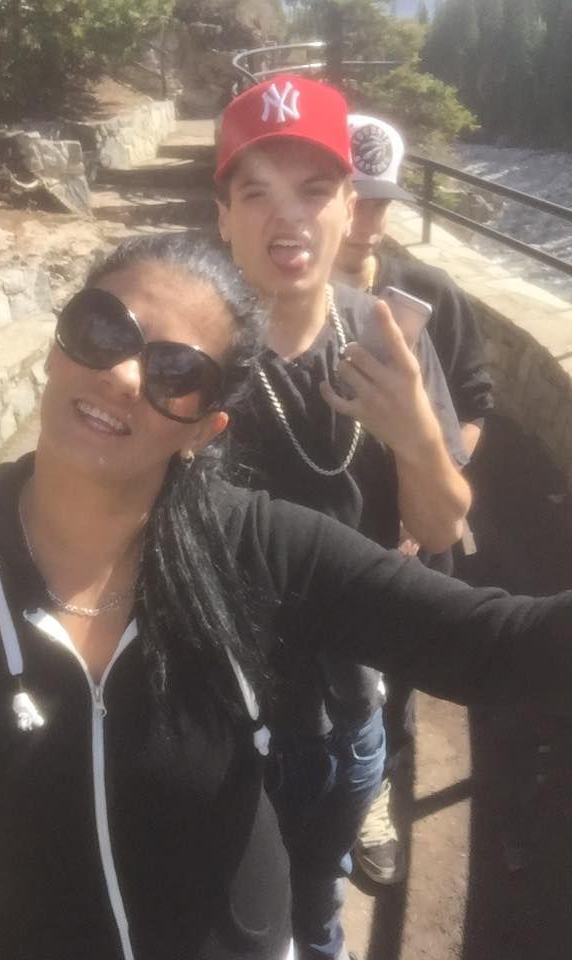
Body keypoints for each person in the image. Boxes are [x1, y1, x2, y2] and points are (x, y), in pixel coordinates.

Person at [0, 232, 569, 960]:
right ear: (56, 346)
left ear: (205, 428)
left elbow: (496, 645)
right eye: (103, 329)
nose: (125, 376)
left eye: (177, 372)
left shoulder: (254, 547)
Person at [215, 75, 471, 957]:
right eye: (258, 191)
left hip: (350, 710)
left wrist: (413, 438)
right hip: (217, 718)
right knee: (234, 914)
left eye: (315, 189)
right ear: (224, 218)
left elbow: (441, 528)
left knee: (318, 902)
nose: (288, 216)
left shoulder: (387, 339)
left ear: (347, 205)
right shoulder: (191, 352)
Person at [333, 113, 495, 886]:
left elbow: (472, 405)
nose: (365, 220)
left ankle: (373, 802)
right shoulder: (279, 297)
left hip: (407, 535)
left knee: (390, 680)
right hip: (319, 535)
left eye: (380, 200)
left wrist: (428, 474)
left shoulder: (430, 294)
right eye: (350, 195)